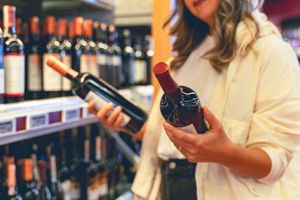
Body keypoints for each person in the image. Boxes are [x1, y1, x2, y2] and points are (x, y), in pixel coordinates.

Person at [88, 0, 300, 199]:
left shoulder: (270, 52)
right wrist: (127, 125)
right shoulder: (185, 59)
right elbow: (177, 143)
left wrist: (224, 153)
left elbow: (275, 163)